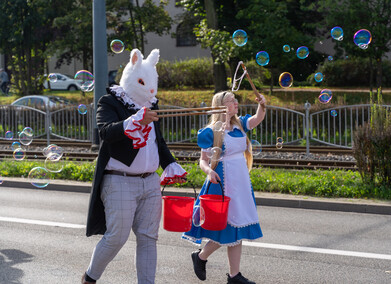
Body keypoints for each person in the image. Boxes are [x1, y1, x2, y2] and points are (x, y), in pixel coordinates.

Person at [82, 48, 187, 284]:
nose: (150, 89)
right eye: (143, 82)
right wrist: (134, 119)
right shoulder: (109, 101)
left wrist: (170, 164)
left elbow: (158, 142)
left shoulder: (151, 105)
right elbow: (106, 132)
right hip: (119, 179)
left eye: (152, 83)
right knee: (116, 237)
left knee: (148, 237)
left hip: (150, 181)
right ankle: (90, 278)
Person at [182, 91, 266, 284]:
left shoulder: (240, 124)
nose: (236, 103)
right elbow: (202, 161)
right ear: (220, 105)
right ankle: (202, 257)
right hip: (220, 184)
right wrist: (209, 172)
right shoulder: (211, 131)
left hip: (241, 183)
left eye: (236, 100)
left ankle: (233, 275)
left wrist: (262, 104)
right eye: (231, 100)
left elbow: (257, 118)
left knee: (238, 227)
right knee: (225, 227)